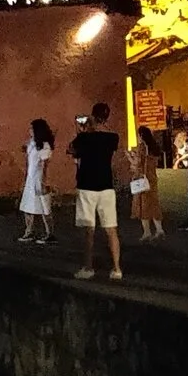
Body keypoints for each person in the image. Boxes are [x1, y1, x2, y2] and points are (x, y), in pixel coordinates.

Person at [68, 102, 124, 279]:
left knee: (89, 230)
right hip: (106, 186)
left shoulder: (84, 137)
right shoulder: (113, 137)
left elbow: (71, 149)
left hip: (87, 186)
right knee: (111, 229)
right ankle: (116, 269)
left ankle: (88, 267)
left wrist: (80, 130)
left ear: (92, 116)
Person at [18, 117, 56, 244]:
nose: (29, 131)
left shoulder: (44, 146)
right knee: (27, 206)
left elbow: (45, 165)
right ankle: (29, 231)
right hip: (31, 179)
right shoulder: (32, 143)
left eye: (32, 128)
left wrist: (44, 181)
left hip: (39, 179)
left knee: (45, 207)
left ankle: (49, 233)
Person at [125, 134, 162, 240]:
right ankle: (159, 229)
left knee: (142, 206)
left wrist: (129, 156)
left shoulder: (141, 148)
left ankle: (147, 232)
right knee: (153, 204)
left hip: (142, 179)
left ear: (141, 136)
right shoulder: (153, 149)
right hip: (152, 179)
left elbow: (137, 163)